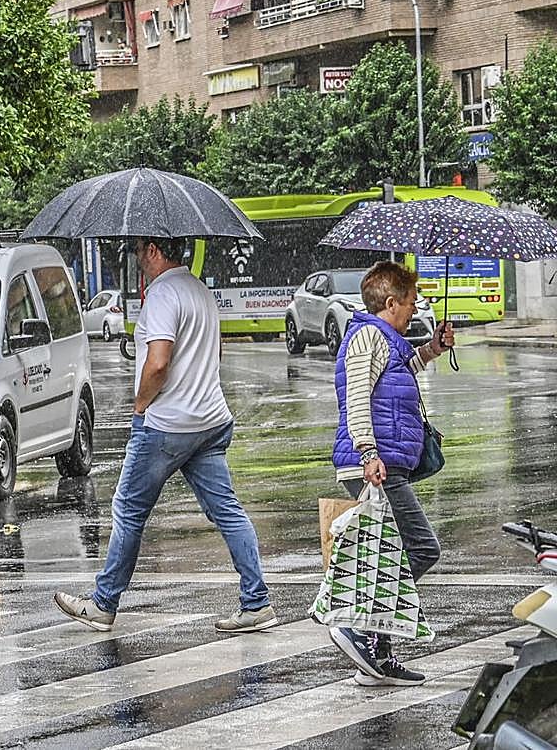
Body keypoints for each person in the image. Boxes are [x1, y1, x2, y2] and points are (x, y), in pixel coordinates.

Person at [54, 236, 278, 634]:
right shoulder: (200, 292)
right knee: (227, 511)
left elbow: (158, 364)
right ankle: (256, 601)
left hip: (167, 425)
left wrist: (140, 405)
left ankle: (103, 604)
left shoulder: (161, 296)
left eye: (139, 250)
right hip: (209, 421)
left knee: (128, 511)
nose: (137, 258)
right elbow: (216, 354)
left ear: (154, 250)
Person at [327, 261, 454, 686]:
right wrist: (367, 452)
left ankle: (378, 655)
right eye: (411, 302)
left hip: (383, 462)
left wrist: (432, 349)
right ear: (391, 302)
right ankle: (359, 630)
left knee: (390, 557)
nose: (414, 310)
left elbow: (396, 375)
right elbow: (358, 396)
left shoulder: (386, 340)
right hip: (374, 464)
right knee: (421, 548)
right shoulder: (367, 336)